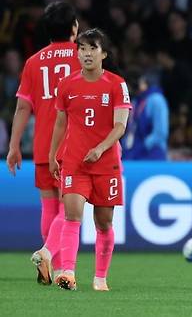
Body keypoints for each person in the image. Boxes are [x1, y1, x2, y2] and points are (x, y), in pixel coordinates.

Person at [48, 29, 132, 291]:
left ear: (103, 54)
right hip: (75, 161)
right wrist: (53, 155)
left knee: (104, 222)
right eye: (81, 48)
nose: (86, 53)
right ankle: (68, 273)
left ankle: (100, 278)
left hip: (106, 163)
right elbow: (60, 122)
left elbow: (120, 126)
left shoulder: (117, 85)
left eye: (92, 48)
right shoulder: (67, 84)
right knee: (72, 216)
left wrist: (100, 148)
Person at [6, 1, 78, 286]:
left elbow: (23, 108)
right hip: (73, 144)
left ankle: (53, 266)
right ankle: (53, 259)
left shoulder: (34, 62)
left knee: (49, 206)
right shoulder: (84, 56)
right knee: (69, 210)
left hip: (42, 144)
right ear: (74, 27)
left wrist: (13, 146)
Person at [122, 72, 169, 160]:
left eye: (141, 82)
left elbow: (160, 132)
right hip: (133, 153)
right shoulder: (136, 101)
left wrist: (144, 146)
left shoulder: (157, 100)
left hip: (152, 153)